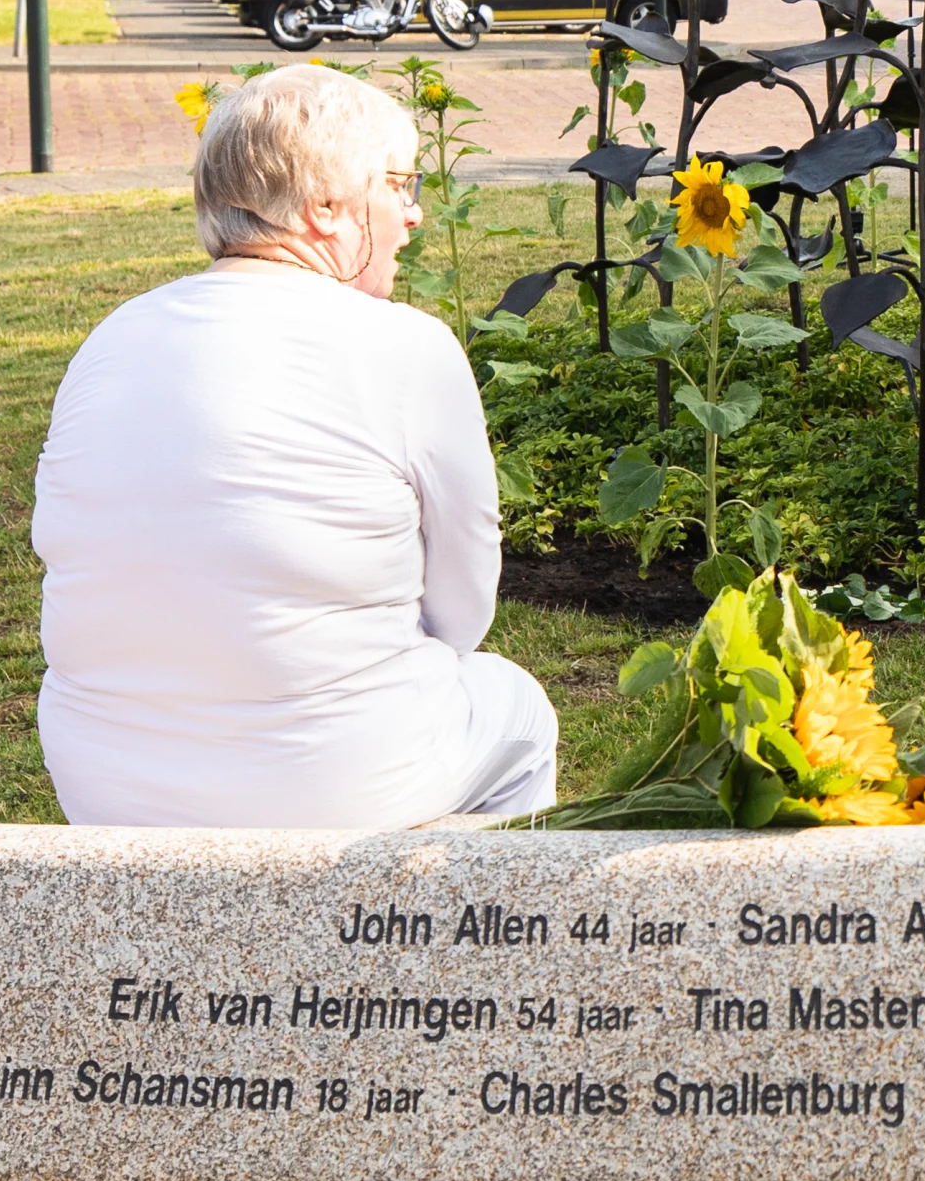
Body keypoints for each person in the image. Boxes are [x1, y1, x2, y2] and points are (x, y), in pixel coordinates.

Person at [30, 64, 558, 826]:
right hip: (336, 782)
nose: (412, 215)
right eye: (399, 183)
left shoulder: (110, 339)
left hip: (104, 787)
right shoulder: (406, 347)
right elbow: (463, 614)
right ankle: (445, 932)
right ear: (325, 208)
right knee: (517, 709)